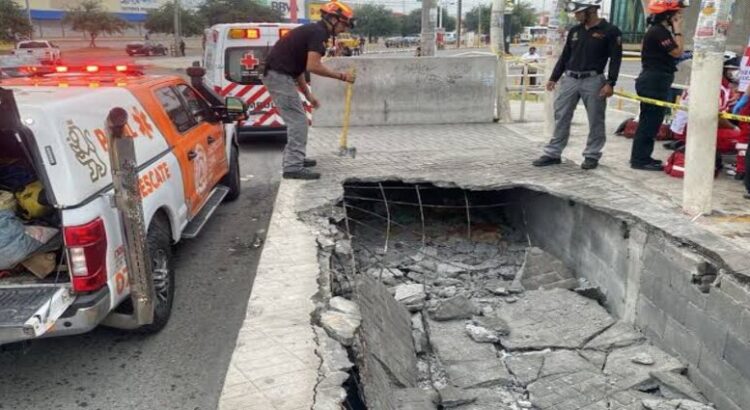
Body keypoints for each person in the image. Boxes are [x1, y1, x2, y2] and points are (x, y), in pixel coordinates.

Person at [263, 1, 356, 180]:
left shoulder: (313, 31)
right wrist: (342, 77)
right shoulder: (318, 33)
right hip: (278, 77)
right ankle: (293, 166)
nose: (345, 28)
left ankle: (295, 159)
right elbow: (313, 66)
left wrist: (308, 95)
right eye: (344, 23)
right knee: (298, 122)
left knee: (298, 121)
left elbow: (298, 69)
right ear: (332, 19)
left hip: (280, 75)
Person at [532, 0, 623, 170]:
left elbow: (616, 59)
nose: (576, 16)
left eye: (579, 12)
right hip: (570, 79)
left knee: (596, 119)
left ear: (591, 10)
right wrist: (554, 77)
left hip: (594, 80)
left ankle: (592, 155)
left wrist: (610, 83)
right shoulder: (575, 31)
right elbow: (565, 56)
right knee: (561, 116)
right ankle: (553, 153)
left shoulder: (610, 31)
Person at [629, 0, 688, 171]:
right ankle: (640, 160)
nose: (679, 17)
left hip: (656, 80)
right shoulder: (659, 32)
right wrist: (678, 30)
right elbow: (677, 51)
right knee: (649, 121)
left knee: (652, 121)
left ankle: (642, 157)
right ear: (668, 15)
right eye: (677, 14)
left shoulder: (659, 31)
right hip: (653, 81)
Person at [670, 54, 743, 154]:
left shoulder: (716, 83)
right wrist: (734, 128)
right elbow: (716, 117)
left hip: (691, 126)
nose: (737, 75)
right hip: (692, 128)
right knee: (743, 138)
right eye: (735, 71)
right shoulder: (716, 87)